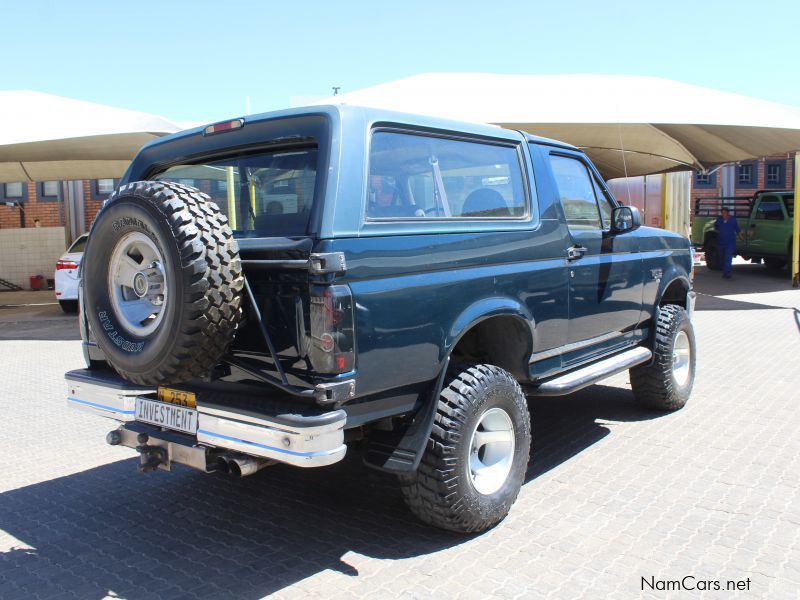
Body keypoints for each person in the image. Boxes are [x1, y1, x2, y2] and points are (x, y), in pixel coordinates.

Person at [714, 207, 741, 279]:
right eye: (722, 213)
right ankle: (724, 270)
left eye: (725, 213)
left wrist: (741, 238)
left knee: (728, 257)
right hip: (721, 242)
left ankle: (727, 273)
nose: (724, 214)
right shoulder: (719, 219)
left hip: (730, 242)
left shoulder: (732, 219)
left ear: (728, 213)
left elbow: (737, 229)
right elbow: (716, 227)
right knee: (721, 257)